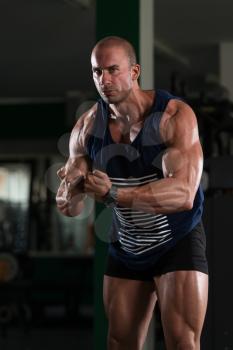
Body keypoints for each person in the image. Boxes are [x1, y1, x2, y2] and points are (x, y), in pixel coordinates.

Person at [56, 36, 208, 350]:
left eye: (113, 70)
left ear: (134, 71)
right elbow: (69, 208)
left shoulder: (173, 117)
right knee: (120, 342)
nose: (104, 79)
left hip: (176, 242)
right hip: (127, 245)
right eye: (97, 72)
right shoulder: (86, 127)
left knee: (182, 343)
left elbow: (183, 195)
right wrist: (71, 188)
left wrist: (115, 195)